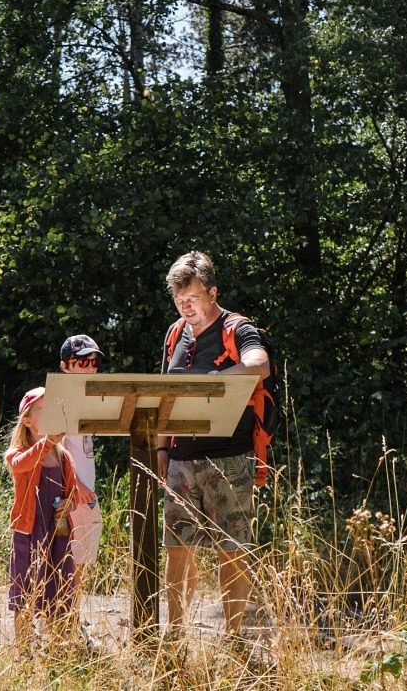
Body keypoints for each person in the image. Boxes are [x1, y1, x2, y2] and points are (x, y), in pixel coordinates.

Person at [156, 251, 269, 642]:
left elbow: (259, 366)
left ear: (213, 292)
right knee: (176, 548)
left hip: (229, 457)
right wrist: (160, 451)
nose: (186, 305)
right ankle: (174, 635)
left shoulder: (237, 328)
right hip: (180, 460)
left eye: (193, 297)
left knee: (231, 549)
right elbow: (164, 396)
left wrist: (215, 382)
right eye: (179, 299)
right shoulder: (174, 334)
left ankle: (234, 639)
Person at [5, 386, 93, 654]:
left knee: (59, 588)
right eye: (42, 410)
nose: (50, 415)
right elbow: (20, 464)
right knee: (24, 590)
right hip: (30, 532)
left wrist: (70, 503)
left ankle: (56, 647)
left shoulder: (64, 456)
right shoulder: (19, 452)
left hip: (59, 534)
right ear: (27, 420)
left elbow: (73, 494)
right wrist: (47, 442)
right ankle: (23, 650)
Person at [58, 334, 104, 573]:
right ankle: (66, 612)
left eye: (94, 362)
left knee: (81, 563)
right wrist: (75, 484)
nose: (90, 368)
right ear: (65, 366)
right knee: (68, 564)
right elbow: (55, 450)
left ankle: (73, 612)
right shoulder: (59, 399)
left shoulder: (88, 399)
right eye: (83, 362)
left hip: (85, 491)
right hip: (70, 492)